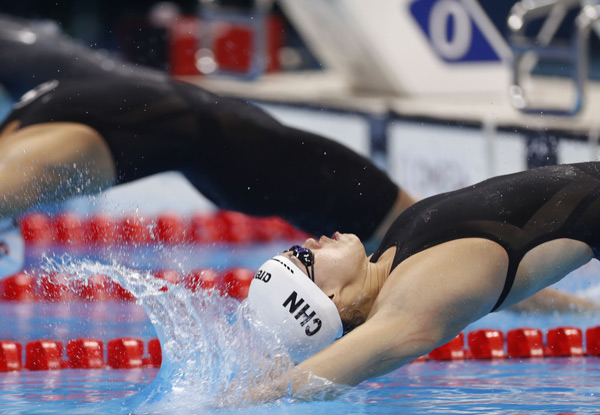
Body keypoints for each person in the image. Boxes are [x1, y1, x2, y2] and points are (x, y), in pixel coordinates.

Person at [245, 161, 600, 398]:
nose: (309, 242)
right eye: (305, 257)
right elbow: (314, 376)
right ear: (333, 298)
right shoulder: (411, 302)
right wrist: (228, 404)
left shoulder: (391, 259)